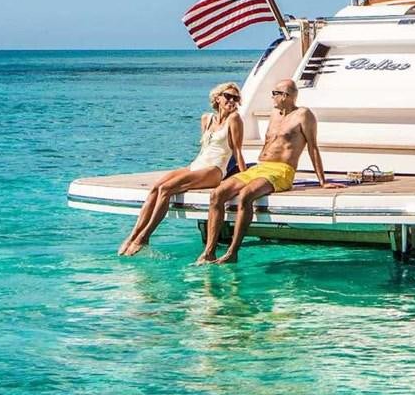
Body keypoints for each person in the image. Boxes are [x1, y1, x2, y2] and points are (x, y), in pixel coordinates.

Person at [196, 78, 328, 264]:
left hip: (281, 170)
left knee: (246, 195)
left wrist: (322, 181)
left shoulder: (304, 115)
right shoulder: (274, 113)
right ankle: (209, 252)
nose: (272, 97)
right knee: (217, 194)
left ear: (285, 96)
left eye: (275, 93)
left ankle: (233, 252)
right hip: (260, 167)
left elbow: (313, 147)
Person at [119, 81, 245, 256]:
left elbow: (237, 151)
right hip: (197, 165)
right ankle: (132, 236)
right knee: (156, 187)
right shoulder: (207, 118)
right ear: (217, 98)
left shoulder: (234, 119)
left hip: (214, 169)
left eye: (235, 98)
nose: (231, 101)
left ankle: (144, 237)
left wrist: (245, 177)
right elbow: (204, 149)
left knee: (166, 189)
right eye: (228, 96)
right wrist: (190, 169)